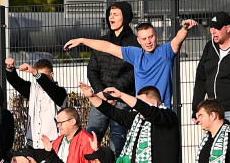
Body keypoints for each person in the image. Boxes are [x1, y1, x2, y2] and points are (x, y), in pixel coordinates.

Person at [64, 19, 196, 108]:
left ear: (156, 35)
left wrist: (185, 28)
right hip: (140, 111)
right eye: (144, 38)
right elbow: (108, 47)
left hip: (161, 109)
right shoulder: (136, 54)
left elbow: (178, 39)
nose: (148, 42)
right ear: (138, 40)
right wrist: (81, 40)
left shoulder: (165, 52)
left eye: (150, 37)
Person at [79, 84, 182, 163]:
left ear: (154, 103)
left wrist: (121, 95)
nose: (138, 109)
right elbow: (113, 113)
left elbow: (147, 110)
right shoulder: (137, 119)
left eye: (141, 104)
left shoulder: (167, 116)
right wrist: (92, 97)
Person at [83, 1, 138, 154]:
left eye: (116, 14)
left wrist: (112, 93)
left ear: (125, 17)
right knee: (90, 140)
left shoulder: (135, 43)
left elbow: (133, 73)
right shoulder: (102, 41)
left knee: (118, 145)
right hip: (100, 99)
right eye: (110, 14)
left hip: (122, 101)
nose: (111, 17)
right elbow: (92, 69)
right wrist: (100, 92)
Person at [191, 12, 230, 129]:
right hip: (212, 112)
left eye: (217, 28)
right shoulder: (209, 47)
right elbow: (201, 78)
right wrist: (196, 108)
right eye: (211, 27)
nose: (213, 31)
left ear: (228, 28)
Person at [5, 58, 68, 149]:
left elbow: (49, 87)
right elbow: (16, 82)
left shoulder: (60, 92)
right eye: (37, 75)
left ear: (52, 75)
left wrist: (35, 72)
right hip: (33, 144)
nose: (40, 80)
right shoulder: (33, 89)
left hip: (52, 144)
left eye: (43, 76)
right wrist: (10, 69)